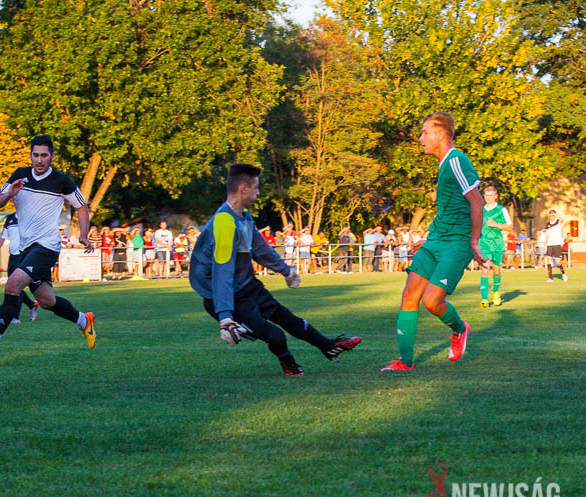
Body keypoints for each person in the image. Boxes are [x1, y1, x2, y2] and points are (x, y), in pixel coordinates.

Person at [189, 163, 362, 377]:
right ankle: (288, 362)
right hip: (224, 296)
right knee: (276, 336)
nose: (258, 193)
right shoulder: (225, 221)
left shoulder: (245, 217)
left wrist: (286, 271)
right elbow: (222, 271)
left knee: (288, 319)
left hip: (246, 286)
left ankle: (329, 347)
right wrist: (225, 317)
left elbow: (262, 250)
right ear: (243, 188)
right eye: (256, 188)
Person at [0, 134, 96, 358]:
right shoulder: (19, 174)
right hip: (26, 248)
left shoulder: (61, 181)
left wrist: (84, 235)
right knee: (47, 301)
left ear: (52, 156)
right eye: (35, 155)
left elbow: (82, 206)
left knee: (13, 284)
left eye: (44, 155)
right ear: (30, 155)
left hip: (47, 246)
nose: (39, 160)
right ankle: (84, 321)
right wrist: (10, 193)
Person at [382, 112, 486, 372]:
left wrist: (474, 241)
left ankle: (459, 329)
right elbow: (450, 209)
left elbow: (477, 201)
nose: (421, 138)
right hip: (437, 240)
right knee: (409, 295)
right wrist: (428, 238)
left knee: (431, 301)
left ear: (440, 134)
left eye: (425, 132)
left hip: (457, 243)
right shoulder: (443, 165)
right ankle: (405, 361)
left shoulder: (456, 160)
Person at [0, 213, 40, 324]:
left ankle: (15, 317)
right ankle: (31, 305)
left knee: (16, 286)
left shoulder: (30, 215)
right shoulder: (10, 218)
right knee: (12, 286)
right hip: (13, 256)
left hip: (24, 255)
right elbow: (3, 236)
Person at [477, 185, 512, 308]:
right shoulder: (480, 210)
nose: (489, 198)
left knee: (496, 271)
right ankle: (484, 299)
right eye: (487, 195)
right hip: (484, 244)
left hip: (497, 244)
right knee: (485, 268)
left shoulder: (501, 210)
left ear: (496, 196)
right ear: (484, 196)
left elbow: (509, 227)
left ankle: (495, 292)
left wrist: (495, 224)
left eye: (491, 195)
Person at [544, 209, 567, 282]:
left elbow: (562, 219)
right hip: (549, 244)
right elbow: (547, 235)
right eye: (550, 215)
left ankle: (563, 273)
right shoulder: (547, 224)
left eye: (553, 215)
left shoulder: (558, 222)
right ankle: (550, 278)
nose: (552, 217)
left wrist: (555, 215)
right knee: (548, 259)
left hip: (557, 244)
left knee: (558, 262)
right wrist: (545, 244)